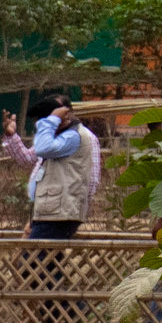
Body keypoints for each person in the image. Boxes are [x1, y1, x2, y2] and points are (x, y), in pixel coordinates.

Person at [27, 93, 101, 239]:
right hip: (53, 211)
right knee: (47, 260)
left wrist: (51, 120)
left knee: (32, 260)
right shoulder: (61, 136)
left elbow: (43, 148)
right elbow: (32, 154)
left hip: (60, 214)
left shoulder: (73, 136)